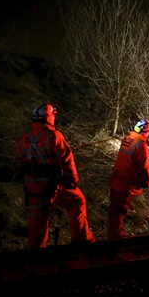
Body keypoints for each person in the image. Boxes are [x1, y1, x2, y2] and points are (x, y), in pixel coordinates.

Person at [15, 103, 96, 248]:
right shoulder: (53, 136)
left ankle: (36, 252)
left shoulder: (24, 137)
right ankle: (82, 240)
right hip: (53, 183)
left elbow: (20, 160)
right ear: (47, 117)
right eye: (53, 115)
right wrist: (73, 180)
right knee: (77, 201)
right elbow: (67, 160)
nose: (54, 118)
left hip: (32, 185)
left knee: (37, 217)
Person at [108, 119, 149, 239]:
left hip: (117, 180)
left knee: (115, 212)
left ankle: (113, 235)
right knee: (119, 211)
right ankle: (115, 239)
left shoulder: (128, 138)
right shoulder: (141, 146)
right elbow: (145, 167)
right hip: (126, 184)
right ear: (145, 132)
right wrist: (146, 182)